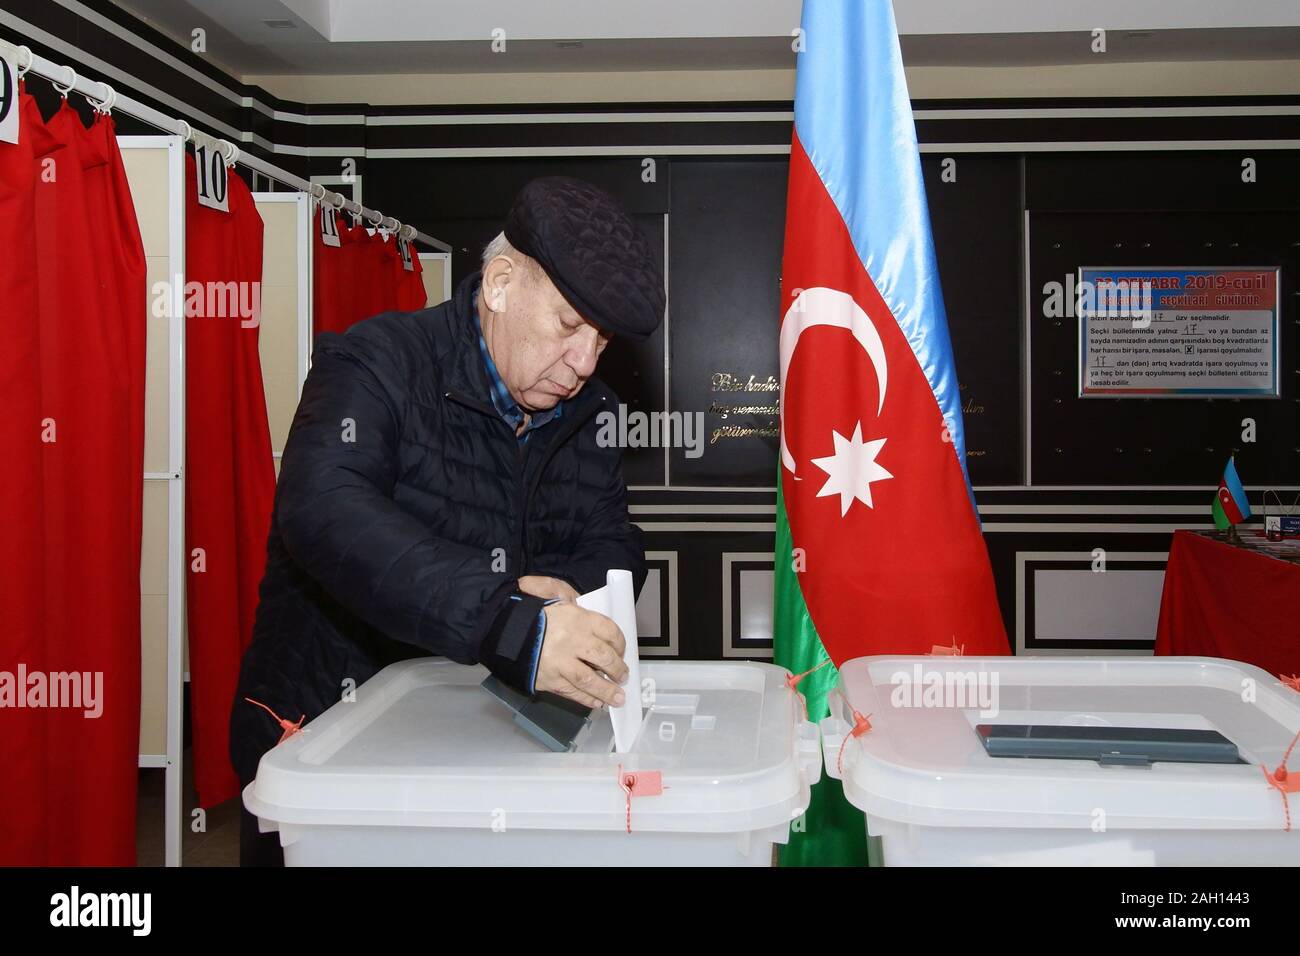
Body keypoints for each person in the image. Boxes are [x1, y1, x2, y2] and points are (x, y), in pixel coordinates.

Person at [229, 175, 665, 865]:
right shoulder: (374, 362)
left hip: (480, 737)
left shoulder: (595, 414)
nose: (583, 363)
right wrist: (506, 620)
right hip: (328, 732)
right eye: (568, 325)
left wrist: (563, 593)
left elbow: (614, 538)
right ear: (498, 283)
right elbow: (324, 508)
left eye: (601, 339)